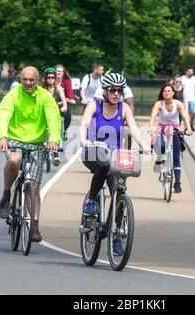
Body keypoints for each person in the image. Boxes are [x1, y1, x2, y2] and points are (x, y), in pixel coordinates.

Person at [79, 73, 150, 255]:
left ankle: (116, 235)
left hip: (115, 157)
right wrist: (83, 139)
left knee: (119, 193)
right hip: (93, 151)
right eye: (113, 90)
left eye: (120, 90)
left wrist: (143, 144)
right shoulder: (93, 105)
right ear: (105, 91)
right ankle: (92, 201)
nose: (117, 94)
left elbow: (133, 127)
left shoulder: (124, 108)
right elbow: (85, 123)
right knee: (102, 164)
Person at [0, 66, 61, 242]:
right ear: (21, 79)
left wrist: (54, 139)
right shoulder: (13, 95)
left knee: (35, 186)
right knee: (14, 160)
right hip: (14, 140)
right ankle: (7, 194)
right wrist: (2, 136)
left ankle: (35, 225)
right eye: (25, 79)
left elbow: (53, 119)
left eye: (31, 80)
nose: (28, 83)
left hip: (37, 144)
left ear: (38, 80)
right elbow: (3, 115)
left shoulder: (45, 97)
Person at [149, 84, 193, 193]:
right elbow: (153, 116)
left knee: (176, 156)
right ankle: (159, 160)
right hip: (162, 129)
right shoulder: (159, 104)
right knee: (161, 146)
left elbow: (185, 117)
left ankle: (177, 183)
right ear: (162, 94)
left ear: (173, 93)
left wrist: (188, 129)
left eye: (169, 91)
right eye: (165, 91)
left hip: (175, 130)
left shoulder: (178, 104)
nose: (167, 93)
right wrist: (151, 128)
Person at [41, 67, 68, 166]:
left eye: (52, 77)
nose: (50, 79)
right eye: (48, 77)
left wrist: (64, 107)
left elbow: (63, 99)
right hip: (43, 113)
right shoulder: (42, 89)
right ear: (45, 78)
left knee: (56, 131)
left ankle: (56, 155)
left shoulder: (58, 88)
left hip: (55, 114)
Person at [55, 64, 75, 140]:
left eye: (61, 71)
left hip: (64, 103)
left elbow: (69, 92)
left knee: (68, 115)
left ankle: (65, 130)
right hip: (52, 103)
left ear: (63, 73)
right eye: (57, 71)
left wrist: (71, 99)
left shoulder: (66, 81)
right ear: (55, 72)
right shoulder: (51, 81)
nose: (59, 73)